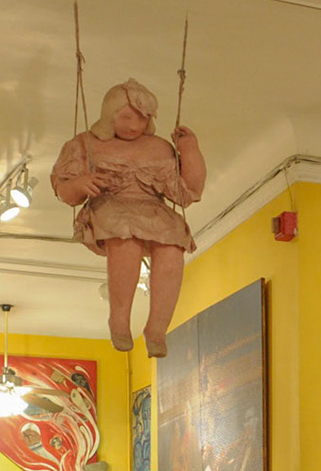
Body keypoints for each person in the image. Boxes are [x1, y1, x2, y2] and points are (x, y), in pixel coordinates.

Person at [50, 78, 206, 357]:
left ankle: (158, 327)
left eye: (143, 118)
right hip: (112, 206)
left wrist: (189, 149)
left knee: (172, 248)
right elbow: (64, 190)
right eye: (127, 117)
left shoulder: (158, 147)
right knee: (126, 240)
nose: (135, 125)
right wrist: (78, 184)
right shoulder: (87, 143)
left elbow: (188, 193)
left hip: (153, 208)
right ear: (109, 116)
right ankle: (119, 320)